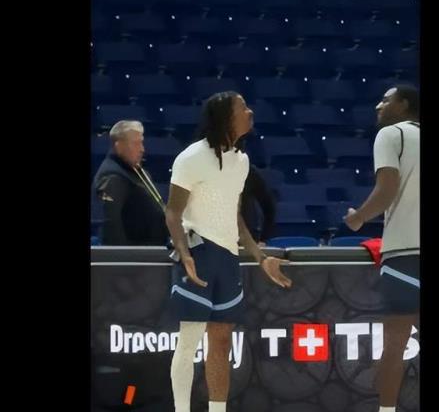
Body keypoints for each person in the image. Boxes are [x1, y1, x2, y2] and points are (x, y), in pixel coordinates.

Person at [165, 91, 292, 412]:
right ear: (225, 117)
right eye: (243, 107)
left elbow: (235, 216)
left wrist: (260, 258)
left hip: (228, 257)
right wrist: (185, 254)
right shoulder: (191, 157)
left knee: (221, 341)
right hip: (199, 253)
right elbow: (173, 213)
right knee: (190, 340)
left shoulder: (241, 162)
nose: (250, 112)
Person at [343, 85, 420, 412]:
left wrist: (358, 218)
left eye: (386, 100)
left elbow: (386, 189)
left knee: (394, 347)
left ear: (403, 104)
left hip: (404, 254)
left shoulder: (391, 134)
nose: (378, 105)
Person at [93, 120, 169, 245]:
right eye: (135, 144)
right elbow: (111, 224)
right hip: (134, 253)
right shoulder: (112, 176)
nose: (142, 149)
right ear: (119, 146)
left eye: (141, 143)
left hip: (154, 249)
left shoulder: (136, 171)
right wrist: (124, 255)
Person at [240, 164, 276, 245]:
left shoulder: (248, 171)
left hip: (247, 237)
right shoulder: (213, 171)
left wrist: (263, 238)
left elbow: (268, 206)